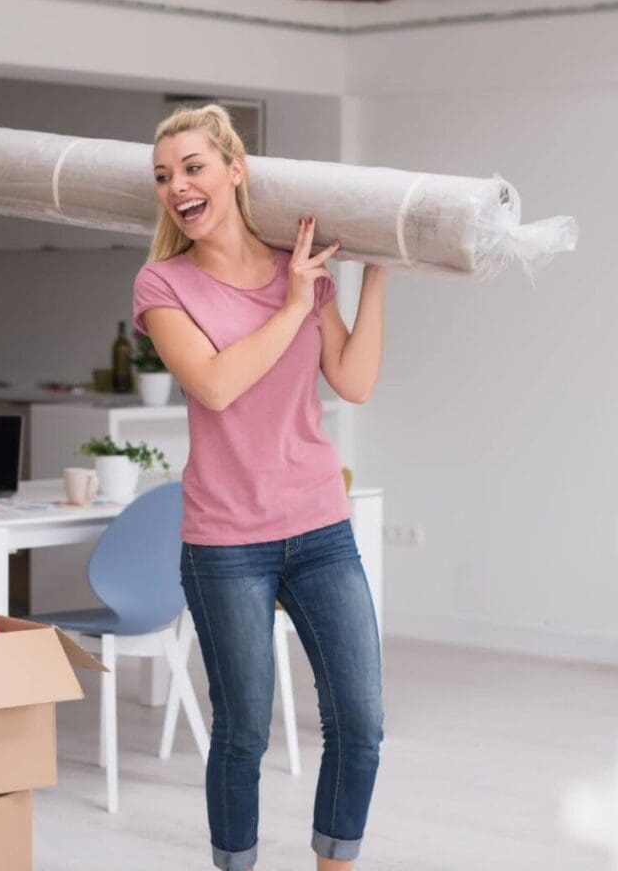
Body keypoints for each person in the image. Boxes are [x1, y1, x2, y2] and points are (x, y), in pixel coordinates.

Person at [133, 104, 388, 871]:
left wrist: (378, 267)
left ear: (234, 171)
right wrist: (292, 306)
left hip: (317, 523)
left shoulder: (298, 265)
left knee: (360, 720)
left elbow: (354, 380)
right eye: (163, 176)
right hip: (224, 543)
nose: (176, 185)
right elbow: (214, 385)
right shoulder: (161, 282)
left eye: (192, 167)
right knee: (242, 729)